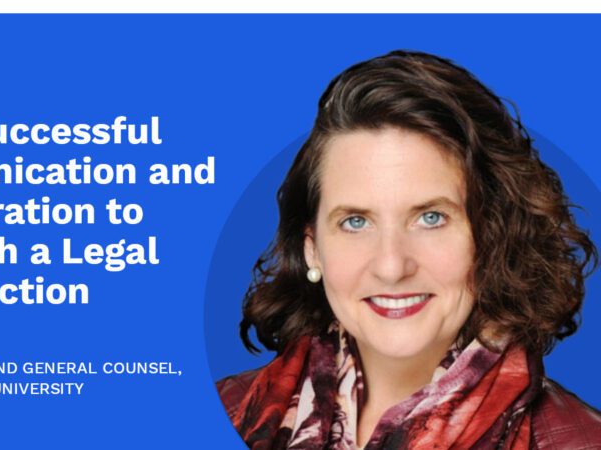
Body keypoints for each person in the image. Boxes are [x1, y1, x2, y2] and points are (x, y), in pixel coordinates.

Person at [217, 50, 601, 449]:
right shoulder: (224, 411)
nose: (391, 266)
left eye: (431, 217)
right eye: (355, 221)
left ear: (491, 235)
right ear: (312, 250)